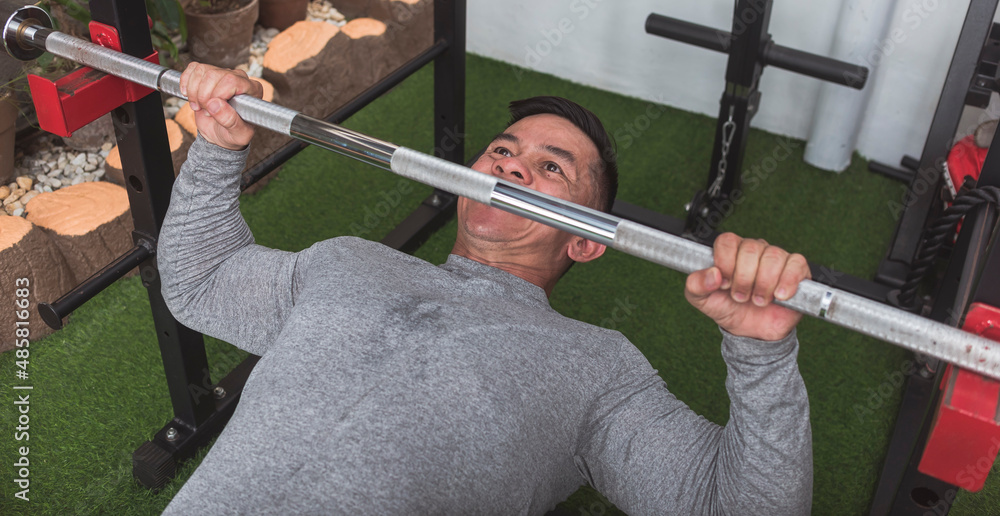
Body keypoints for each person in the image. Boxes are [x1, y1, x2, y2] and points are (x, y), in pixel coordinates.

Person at [158, 63, 813, 515]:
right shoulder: (350, 261)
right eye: (503, 150)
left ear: (585, 241)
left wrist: (761, 356)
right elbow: (202, 279)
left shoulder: (598, 368)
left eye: (551, 167)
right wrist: (218, 146)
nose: (512, 163)